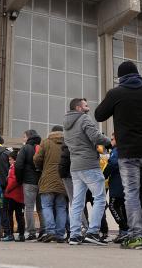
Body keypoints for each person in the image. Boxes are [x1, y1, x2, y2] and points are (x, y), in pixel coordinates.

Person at [96, 61, 142, 250]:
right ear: (137, 74)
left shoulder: (116, 94)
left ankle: (136, 237)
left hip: (128, 152)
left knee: (132, 194)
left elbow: (98, 115)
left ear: (120, 77)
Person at [65, 98, 112, 246]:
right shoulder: (84, 118)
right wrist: (109, 142)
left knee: (77, 202)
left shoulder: (66, 124)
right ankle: (92, 232)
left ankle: (74, 235)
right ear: (78, 108)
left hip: (75, 167)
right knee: (99, 198)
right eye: (85, 105)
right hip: (89, 164)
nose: (88, 107)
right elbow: (96, 137)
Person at [34, 125, 68, 243]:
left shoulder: (46, 142)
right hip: (63, 180)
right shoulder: (67, 143)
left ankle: (50, 232)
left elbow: (37, 159)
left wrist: (41, 167)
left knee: (46, 206)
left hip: (47, 179)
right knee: (61, 207)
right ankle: (59, 234)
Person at [16, 129, 43, 241]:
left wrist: (20, 179)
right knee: (41, 208)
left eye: (24, 137)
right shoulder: (41, 147)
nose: (23, 139)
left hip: (28, 182)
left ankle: (32, 232)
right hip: (41, 181)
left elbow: (18, 165)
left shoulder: (25, 148)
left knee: (29, 207)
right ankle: (44, 231)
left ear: (28, 137)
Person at [105, 134, 128, 244]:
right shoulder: (124, 149)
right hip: (123, 183)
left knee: (113, 206)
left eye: (112, 139)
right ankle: (124, 231)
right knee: (122, 207)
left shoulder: (116, 150)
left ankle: (124, 229)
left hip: (117, 183)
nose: (111, 141)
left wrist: (103, 175)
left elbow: (113, 163)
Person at [4, 150, 26, 242]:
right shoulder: (23, 168)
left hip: (12, 194)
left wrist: (7, 190)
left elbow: (13, 180)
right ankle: (21, 235)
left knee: (9, 214)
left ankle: (10, 234)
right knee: (20, 215)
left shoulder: (13, 168)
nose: (9, 162)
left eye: (10, 160)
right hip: (21, 195)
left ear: (14, 160)